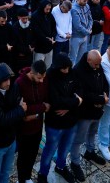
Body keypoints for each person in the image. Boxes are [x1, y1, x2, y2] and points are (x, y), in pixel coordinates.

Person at [40, 53, 82, 183]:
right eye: (63, 68)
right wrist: (76, 101)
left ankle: (61, 167)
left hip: (71, 120)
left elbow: (80, 91)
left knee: (65, 149)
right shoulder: (50, 76)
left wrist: (70, 106)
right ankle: (42, 175)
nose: (66, 71)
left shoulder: (72, 72)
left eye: (68, 68)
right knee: (50, 150)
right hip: (55, 123)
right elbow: (56, 101)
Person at [0, 62, 27, 183]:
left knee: (6, 173)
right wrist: (18, 110)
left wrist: (14, 113)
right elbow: (2, 120)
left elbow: (10, 115)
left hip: (11, 140)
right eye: (5, 80)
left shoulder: (13, 87)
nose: (8, 82)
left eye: (9, 79)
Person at [70, 50, 109, 168]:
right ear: (88, 60)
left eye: (99, 64)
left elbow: (104, 81)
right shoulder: (78, 71)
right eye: (96, 64)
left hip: (97, 110)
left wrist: (105, 95)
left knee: (92, 132)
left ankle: (90, 151)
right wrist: (100, 100)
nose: (98, 67)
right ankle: (75, 162)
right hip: (85, 112)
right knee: (78, 139)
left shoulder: (97, 64)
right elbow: (82, 94)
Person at [15, 60, 49, 183]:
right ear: (32, 73)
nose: (41, 81)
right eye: (39, 78)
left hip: (38, 126)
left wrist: (36, 111)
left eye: (43, 78)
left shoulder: (43, 80)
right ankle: (21, 179)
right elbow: (22, 110)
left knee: (33, 154)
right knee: (23, 156)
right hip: (23, 129)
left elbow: (46, 103)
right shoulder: (19, 84)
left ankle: (28, 176)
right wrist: (41, 108)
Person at [70, 0, 93, 64]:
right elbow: (77, 26)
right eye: (84, 1)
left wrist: (88, 29)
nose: (86, 3)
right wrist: (87, 32)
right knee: (73, 58)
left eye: (86, 0)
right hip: (76, 37)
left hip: (85, 36)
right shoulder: (73, 9)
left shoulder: (87, 6)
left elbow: (90, 19)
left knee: (82, 58)